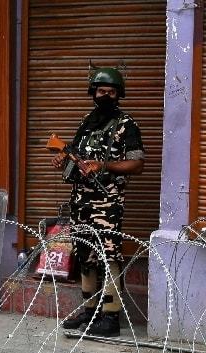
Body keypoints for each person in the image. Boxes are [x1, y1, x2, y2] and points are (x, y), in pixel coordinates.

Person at [51, 66, 145, 337]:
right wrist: (63, 159)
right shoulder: (87, 121)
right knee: (84, 255)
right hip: (81, 200)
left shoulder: (126, 125)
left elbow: (137, 164)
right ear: (93, 92)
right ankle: (90, 310)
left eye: (112, 92)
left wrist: (104, 166)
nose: (106, 95)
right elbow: (76, 156)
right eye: (102, 91)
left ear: (119, 95)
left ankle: (111, 316)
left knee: (108, 255)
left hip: (107, 201)